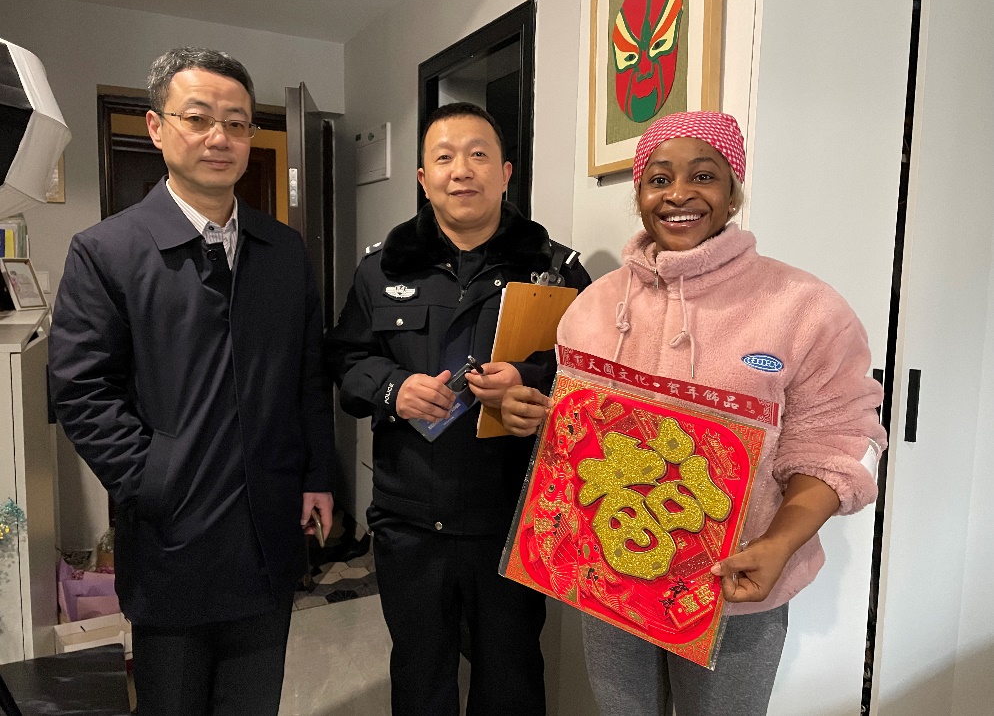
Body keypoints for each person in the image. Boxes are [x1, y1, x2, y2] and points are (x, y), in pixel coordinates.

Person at [502, 111, 886, 715]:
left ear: (733, 193)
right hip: (611, 573)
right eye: (659, 179)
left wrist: (781, 543)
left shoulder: (805, 308)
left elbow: (837, 443)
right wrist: (542, 416)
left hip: (733, 586)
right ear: (639, 195)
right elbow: (584, 435)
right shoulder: (593, 307)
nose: (679, 194)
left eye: (703, 176)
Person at [48, 47, 335, 716]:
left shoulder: (283, 250)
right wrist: (154, 478)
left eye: (236, 123)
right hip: (171, 537)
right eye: (198, 118)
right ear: (156, 127)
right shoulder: (107, 251)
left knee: (253, 700)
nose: (219, 138)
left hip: (267, 527)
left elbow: (307, 373)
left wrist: (318, 473)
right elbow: (81, 389)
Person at [326, 102, 591, 714]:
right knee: (420, 675)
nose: (461, 170)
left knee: (511, 677)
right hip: (410, 517)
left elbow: (592, 373)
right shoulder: (381, 269)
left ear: (505, 172)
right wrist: (393, 389)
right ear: (424, 179)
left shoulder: (555, 270)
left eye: (478, 155)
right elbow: (344, 358)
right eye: (444, 158)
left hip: (512, 519)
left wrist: (530, 381)